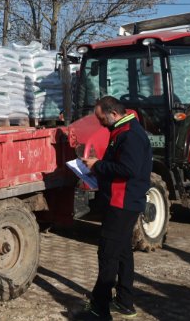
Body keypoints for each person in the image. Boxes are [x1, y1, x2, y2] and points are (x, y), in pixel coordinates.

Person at [77, 96, 151, 321]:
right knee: (122, 252)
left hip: (122, 202)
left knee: (108, 253)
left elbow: (128, 168)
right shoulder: (123, 129)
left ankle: (100, 308)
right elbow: (121, 164)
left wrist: (98, 165)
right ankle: (125, 302)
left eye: (102, 119)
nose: (101, 123)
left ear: (113, 114)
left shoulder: (130, 135)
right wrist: (98, 167)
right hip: (123, 201)